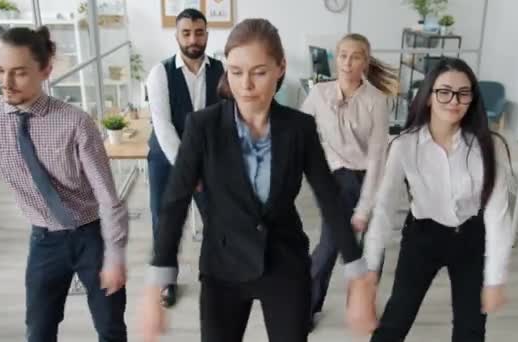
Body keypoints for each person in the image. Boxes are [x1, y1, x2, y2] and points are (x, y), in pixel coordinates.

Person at [141, 18, 377, 342]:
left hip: (284, 263)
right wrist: (159, 279)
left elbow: (329, 199)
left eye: (259, 72)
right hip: (223, 267)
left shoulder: (299, 128)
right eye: (236, 72)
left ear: (280, 68)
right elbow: (175, 202)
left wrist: (357, 273)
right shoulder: (202, 127)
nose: (246, 85)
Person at [0, 27, 129, 341]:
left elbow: (108, 198)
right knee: (39, 330)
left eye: (19, 73)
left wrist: (115, 257)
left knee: (110, 328)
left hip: (90, 236)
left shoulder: (75, 122)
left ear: (45, 71)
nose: (5, 82)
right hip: (44, 240)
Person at [364, 57, 513, 342]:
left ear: (472, 98)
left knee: (471, 327)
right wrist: (371, 270)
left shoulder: (489, 146)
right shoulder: (404, 145)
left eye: (463, 92)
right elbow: (383, 211)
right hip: (423, 237)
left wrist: (495, 279)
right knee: (397, 318)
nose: (453, 100)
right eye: (444, 91)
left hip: (470, 236)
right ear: (429, 96)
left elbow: (498, 215)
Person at [300, 33, 394, 329]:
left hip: (369, 177)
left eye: (355, 56)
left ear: (365, 61)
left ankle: (362, 305)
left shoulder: (377, 101)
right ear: (335, 58)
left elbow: (378, 156)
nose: (347, 62)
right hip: (333, 179)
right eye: (342, 55)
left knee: (373, 248)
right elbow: (299, 132)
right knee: (330, 244)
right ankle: (307, 306)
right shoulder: (319, 94)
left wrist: (365, 208)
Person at [146, 8, 224, 307]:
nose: (194, 38)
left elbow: (225, 118)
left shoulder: (222, 70)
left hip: (207, 157)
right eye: (187, 32)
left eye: (199, 32)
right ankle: (166, 280)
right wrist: (188, 170)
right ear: (177, 35)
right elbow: (163, 126)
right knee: (164, 220)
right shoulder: (160, 73)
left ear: (206, 34)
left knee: (217, 219)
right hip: (167, 159)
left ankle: (215, 274)